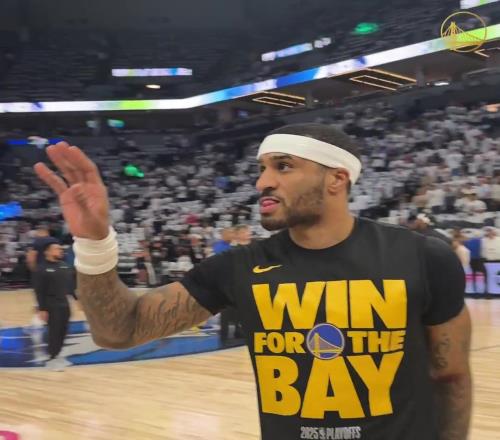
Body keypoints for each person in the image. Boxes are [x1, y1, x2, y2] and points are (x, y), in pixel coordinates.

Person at [34, 123, 471, 440]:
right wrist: (93, 242)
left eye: (283, 166)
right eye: (262, 169)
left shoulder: (422, 256)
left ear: (337, 179)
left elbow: (450, 376)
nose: (263, 182)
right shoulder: (239, 266)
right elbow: (119, 330)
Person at [34, 239, 75, 371]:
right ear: (47, 252)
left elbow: (71, 285)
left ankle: (58, 355)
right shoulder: (41, 269)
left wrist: (77, 298)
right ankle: (51, 359)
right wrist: (42, 309)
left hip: (64, 303)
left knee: (64, 330)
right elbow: (39, 290)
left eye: (61, 249)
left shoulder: (64, 266)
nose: (60, 250)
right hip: (51, 304)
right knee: (54, 332)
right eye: (57, 249)